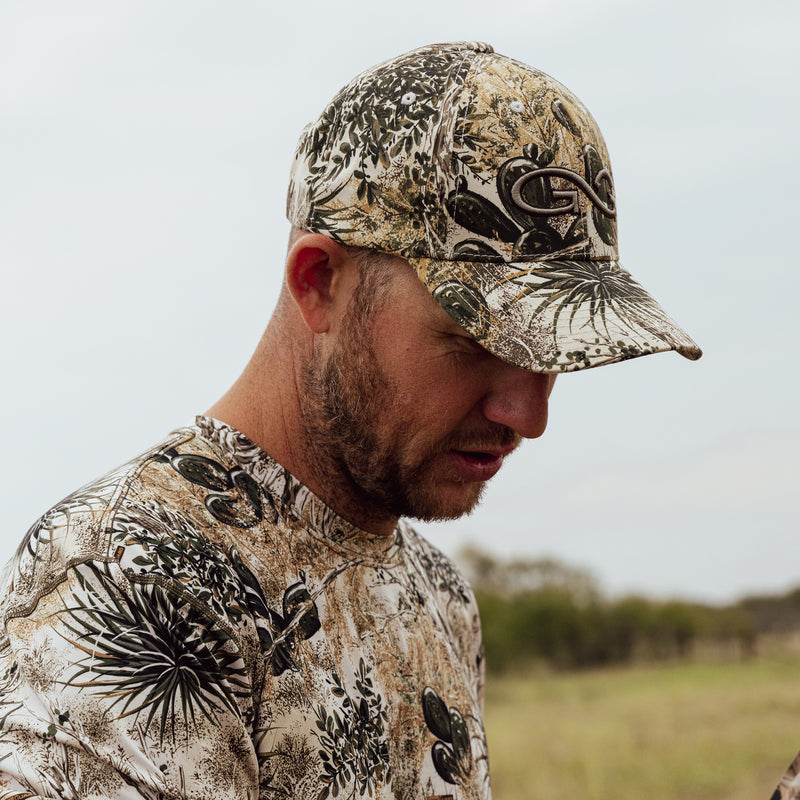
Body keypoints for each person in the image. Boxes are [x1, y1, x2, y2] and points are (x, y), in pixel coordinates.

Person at [0, 41, 701, 800]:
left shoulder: (436, 591)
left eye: (553, 351)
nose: (526, 414)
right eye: (473, 342)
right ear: (319, 282)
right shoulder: (131, 587)